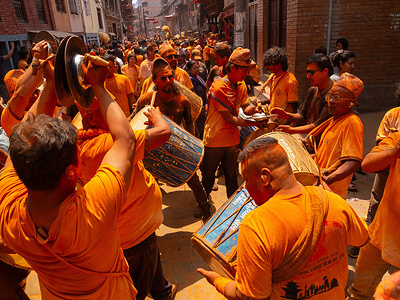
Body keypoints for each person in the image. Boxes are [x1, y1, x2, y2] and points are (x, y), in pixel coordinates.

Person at [0, 51, 138, 299]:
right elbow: (127, 139)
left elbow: (21, 138)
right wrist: (98, 86)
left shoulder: (8, 210)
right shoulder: (93, 209)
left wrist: (51, 84)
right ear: (72, 172)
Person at [198, 136, 368, 299]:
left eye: (247, 180)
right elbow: (362, 239)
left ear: (265, 177)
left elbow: (251, 296)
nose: (246, 188)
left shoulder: (256, 225)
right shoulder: (333, 201)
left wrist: (218, 281)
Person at [136, 57, 211, 220]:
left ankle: (205, 208)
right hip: (153, 151)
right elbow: (134, 123)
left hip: (176, 145)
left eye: (171, 77)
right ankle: (150, 217)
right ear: (155, 80)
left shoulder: (182, 100)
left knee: (193, 180)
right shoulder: (146, 100)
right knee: (149, 186)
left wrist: (190, 143)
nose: (169, 81)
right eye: (163, 78)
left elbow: (190, 122)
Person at [201, 47, 262, 199]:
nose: (247, 73)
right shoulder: (218, 87)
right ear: (233, 68)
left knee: (232, 176)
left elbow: (244, 107)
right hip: (215, 139)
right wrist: (255, 124)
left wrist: (255, 110)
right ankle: (203, 203)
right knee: (208, 175)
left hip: (232, 140)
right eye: (244, 70)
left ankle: (231, 208)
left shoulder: (241, 85)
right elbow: (230, 119)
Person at [347, 132, 400, 300]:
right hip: (382, 233)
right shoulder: (396, 139)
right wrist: (394, 153)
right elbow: (367, 165)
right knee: (360, 291)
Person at [306, 73, 364, 199]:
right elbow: (328, 155)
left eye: (337, 98)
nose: (330, 101)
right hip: (320, 187)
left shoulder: (352, 123)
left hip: (331, 192)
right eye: (330, 96)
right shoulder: (334, 120)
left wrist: (329, 178)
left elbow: (353, 161)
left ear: (351, 103)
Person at [272, 53, 334, 134]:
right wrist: (286, 115)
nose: (308, 76)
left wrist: (291, 130)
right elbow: (302, 116)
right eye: (307, 72)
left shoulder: (334, 95)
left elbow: (319, 126)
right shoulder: (312, 90)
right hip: (312, 140)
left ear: (325, 72)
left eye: (311, 73)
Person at [260, 47, 298, 115]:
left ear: (281, 63)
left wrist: (285, 124)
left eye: (274, 64)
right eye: (269, 64)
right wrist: (263, 103)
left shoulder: (290, 81)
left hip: (283, 122)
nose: (271, 66)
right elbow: (277, 99)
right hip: (272, 119)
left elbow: (293, 107)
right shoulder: (273, 77)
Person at [186, 60, 207, 139]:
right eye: (194, 68)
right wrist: (200, 106)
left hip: (203, 106)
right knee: (200, 128)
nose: (197, 69)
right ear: (189, 70)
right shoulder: (190, 80)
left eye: (198, 67)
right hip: (197, 108)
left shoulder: (198, 77)